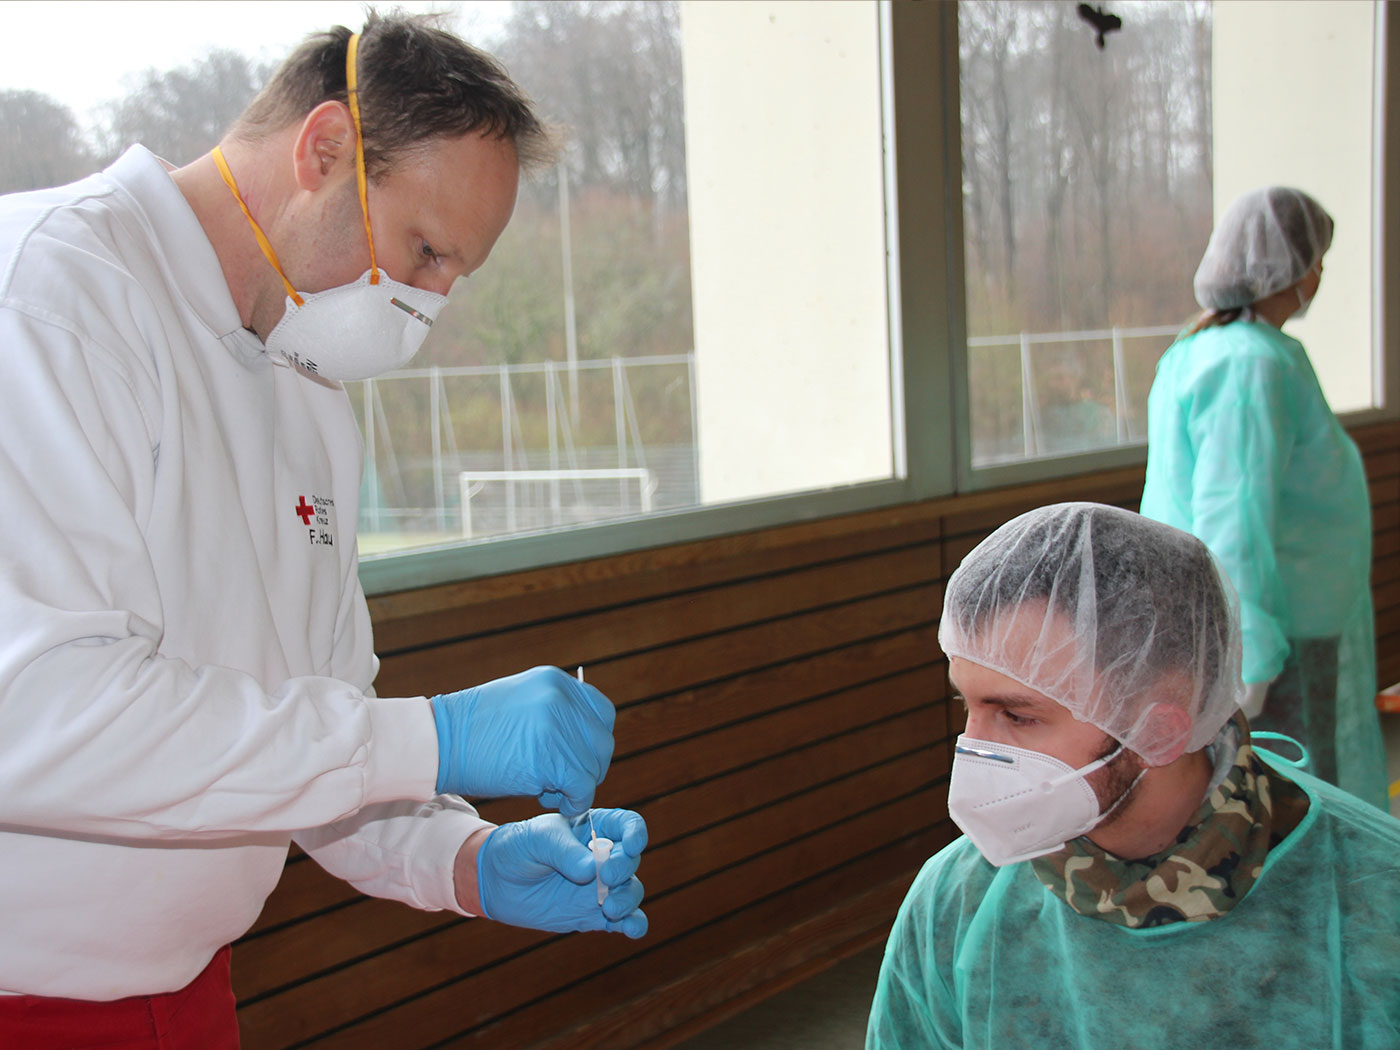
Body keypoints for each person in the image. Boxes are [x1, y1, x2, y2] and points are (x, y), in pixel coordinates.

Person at [0, 13, 646, 1047]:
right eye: (422, 251)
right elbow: (37, 714)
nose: (426, 307)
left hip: (184, 993)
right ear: (323, 150)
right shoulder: (50, 300)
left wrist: (460, 857)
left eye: (453, 277)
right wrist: (432, 737)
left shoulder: (304, 387)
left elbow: (310, 737)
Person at [866, 502, 1400, 1049]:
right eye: (967, 706)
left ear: (1158, 732)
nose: (975, 749)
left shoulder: (1378, 899)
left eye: (1019, 716)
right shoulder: (958, 901)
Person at [1139, 185, 1388, 810]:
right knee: (1290, 804)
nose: (1320, 273)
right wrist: (1250, 655)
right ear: (1282, 266)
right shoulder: (1250, 364)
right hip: (1271, 638)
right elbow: (1234, 519)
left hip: (1251, 626)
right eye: (1315, 258)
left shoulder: (1213, 350)